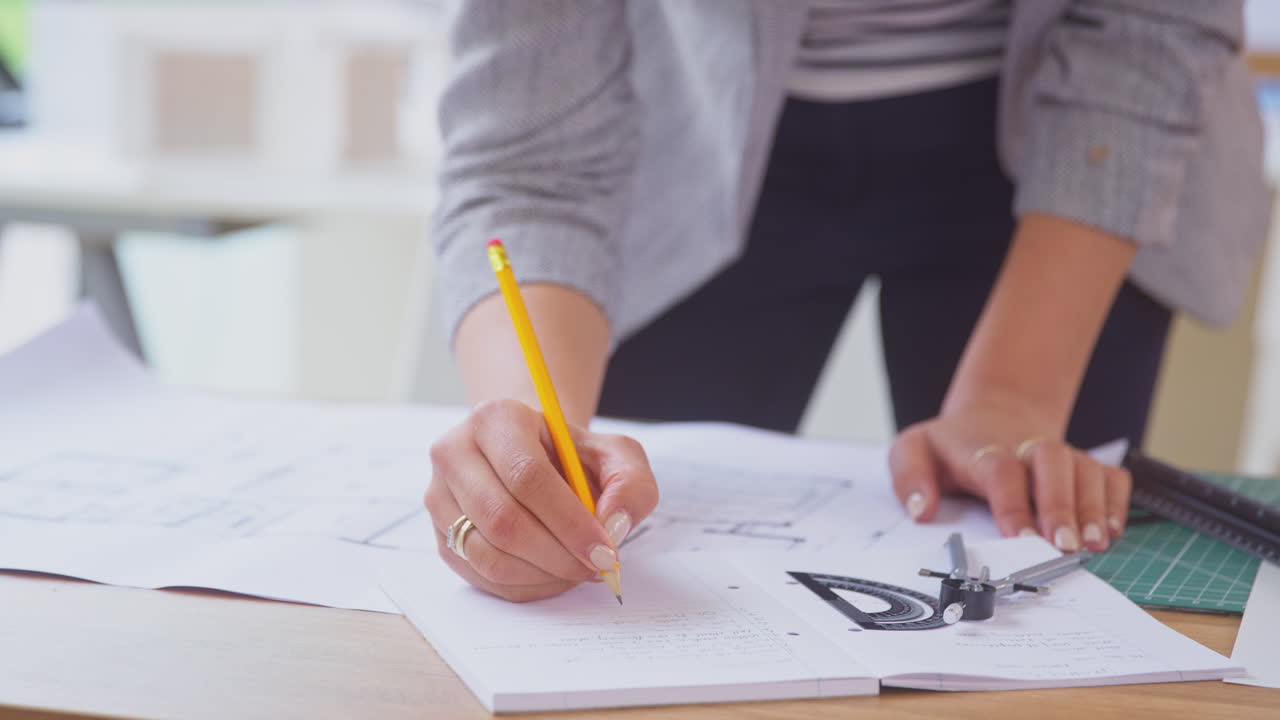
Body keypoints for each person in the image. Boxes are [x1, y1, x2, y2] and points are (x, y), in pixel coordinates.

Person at [423, 1, 1268, 602]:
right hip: (694, 133)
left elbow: (1154, 22)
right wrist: (531, 435)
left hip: (1066, 142)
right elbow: (530, 151)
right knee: (615, 523)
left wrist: (1011, 397)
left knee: (1032, 542)